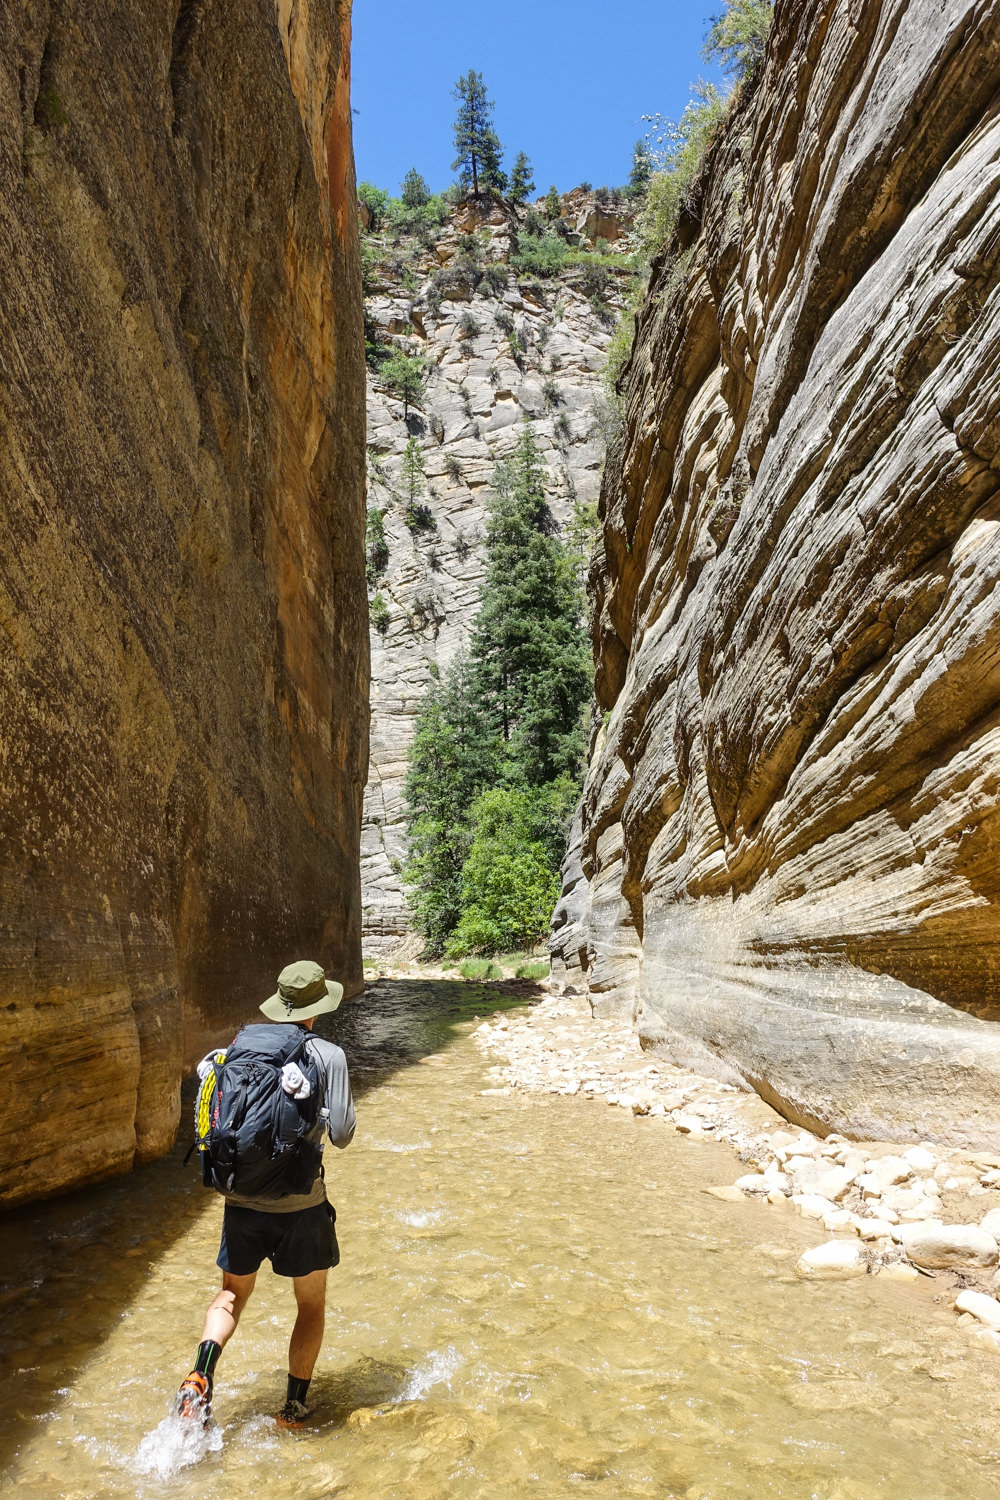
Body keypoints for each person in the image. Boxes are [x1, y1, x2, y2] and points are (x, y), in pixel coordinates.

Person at [175, 960, 355, 1428]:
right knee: (310, 1304)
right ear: (318, 1008)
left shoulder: (240, 1047)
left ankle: (200, 1374)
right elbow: (342, 1135)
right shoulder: (328, 1055)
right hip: (302, 1203)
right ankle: (294, 1408)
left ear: (280, 1005)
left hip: (242, 1199)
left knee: (231, 1297)